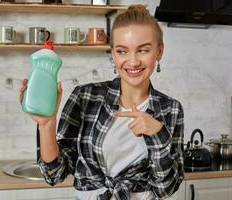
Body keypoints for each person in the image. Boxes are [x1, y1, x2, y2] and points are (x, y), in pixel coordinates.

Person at [20, 4, 184, 200]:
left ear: (159, 51)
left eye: (143, 50)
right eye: (122, 51)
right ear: (112, 54)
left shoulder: (171, 109)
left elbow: (165, 189)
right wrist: (46, 125)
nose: (132, 62)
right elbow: (54, 174)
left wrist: (158, 135)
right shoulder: (85, 97)